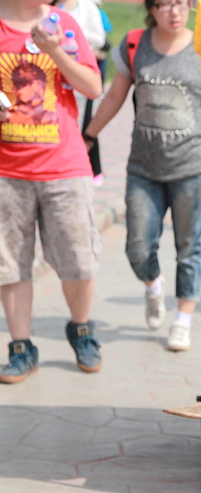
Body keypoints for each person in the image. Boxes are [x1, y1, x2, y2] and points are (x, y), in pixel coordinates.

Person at [82, 0, 201, 351]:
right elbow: (115, 97)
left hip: (192, 169)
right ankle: (153, 284)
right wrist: (88, 135)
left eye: (180, 3)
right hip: (143, 168)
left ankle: (183, 320)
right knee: (138, 247)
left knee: (189, 248)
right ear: (151, 8)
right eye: (164, 4)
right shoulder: (134, 45)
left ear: (190, 6)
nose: (174, 12)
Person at [0, 0, 104, 383]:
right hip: (6, 171)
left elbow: (92, 86)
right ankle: (21, 347)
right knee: (9, 263)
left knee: (78, 260)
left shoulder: (63, 23)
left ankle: (81, 330)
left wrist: (55, 49)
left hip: (65, 167)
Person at [55, 0, 107, 184]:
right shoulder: (47, 10)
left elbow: (99, 37)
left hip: (79, 65)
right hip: (54, 73)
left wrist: (76, 38)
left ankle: (94, 170)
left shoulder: (86, 7)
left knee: (85, 123)